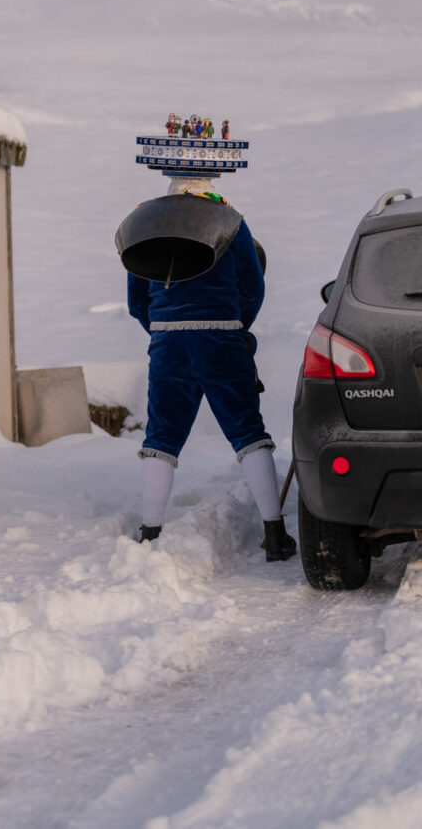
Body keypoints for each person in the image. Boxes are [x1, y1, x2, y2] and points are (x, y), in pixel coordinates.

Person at [128, 180, 296, 560]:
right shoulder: (231, 221)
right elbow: (253, 287)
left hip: (168, 341)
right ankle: (275, 533)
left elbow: (136, 299)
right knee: (248, 432)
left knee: (161, 436)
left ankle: (150, 534)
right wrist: (234, 326)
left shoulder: (147, 223)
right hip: (221, 336)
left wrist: (164, 330)